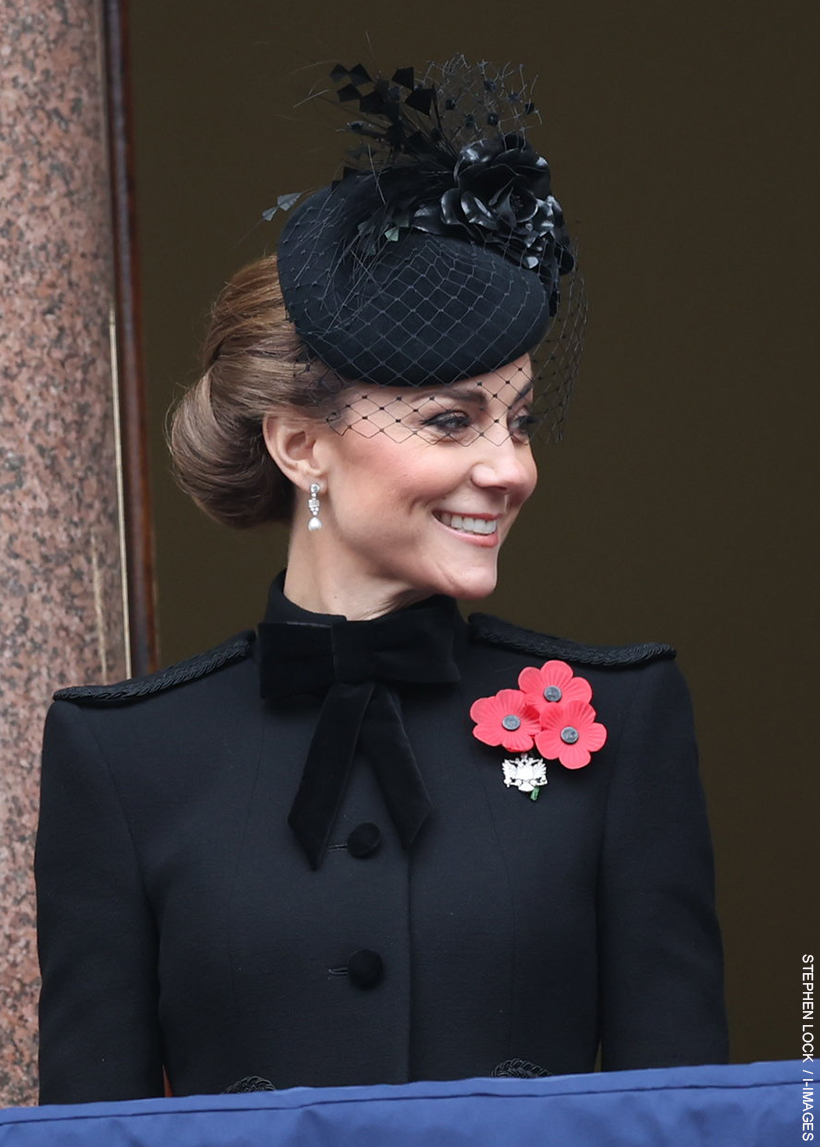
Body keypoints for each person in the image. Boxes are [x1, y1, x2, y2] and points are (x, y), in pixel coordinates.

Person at [35, 57, 729, 1105]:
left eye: (519, 419)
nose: (510, 467)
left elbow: (688, 1122)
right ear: (300, 446)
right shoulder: (124, 758)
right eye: (451, 420)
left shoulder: (623, 723)